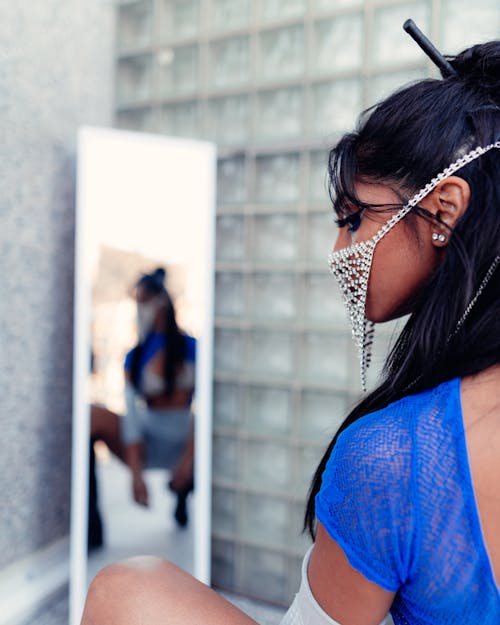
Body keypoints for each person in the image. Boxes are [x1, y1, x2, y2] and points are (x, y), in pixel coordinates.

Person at [81, 29, 499, 625]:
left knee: (128, 588)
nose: (339, 249)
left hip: (172, 447)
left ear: (444, 210)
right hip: (153, 444)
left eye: (354, 219)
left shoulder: (395, 457)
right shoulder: (138, 354)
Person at [89, 267, 196, 549]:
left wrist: (189, 459)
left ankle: (184, 490)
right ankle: (90, 525)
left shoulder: (192, 348)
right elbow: (132, 414)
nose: (140, 309)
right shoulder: (134, 356)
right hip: (148, 437)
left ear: (160, 302)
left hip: (187, 436)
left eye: (143, 301)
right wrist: (136, 476)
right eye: (136, 302)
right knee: (92, 415)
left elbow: (208, 410)